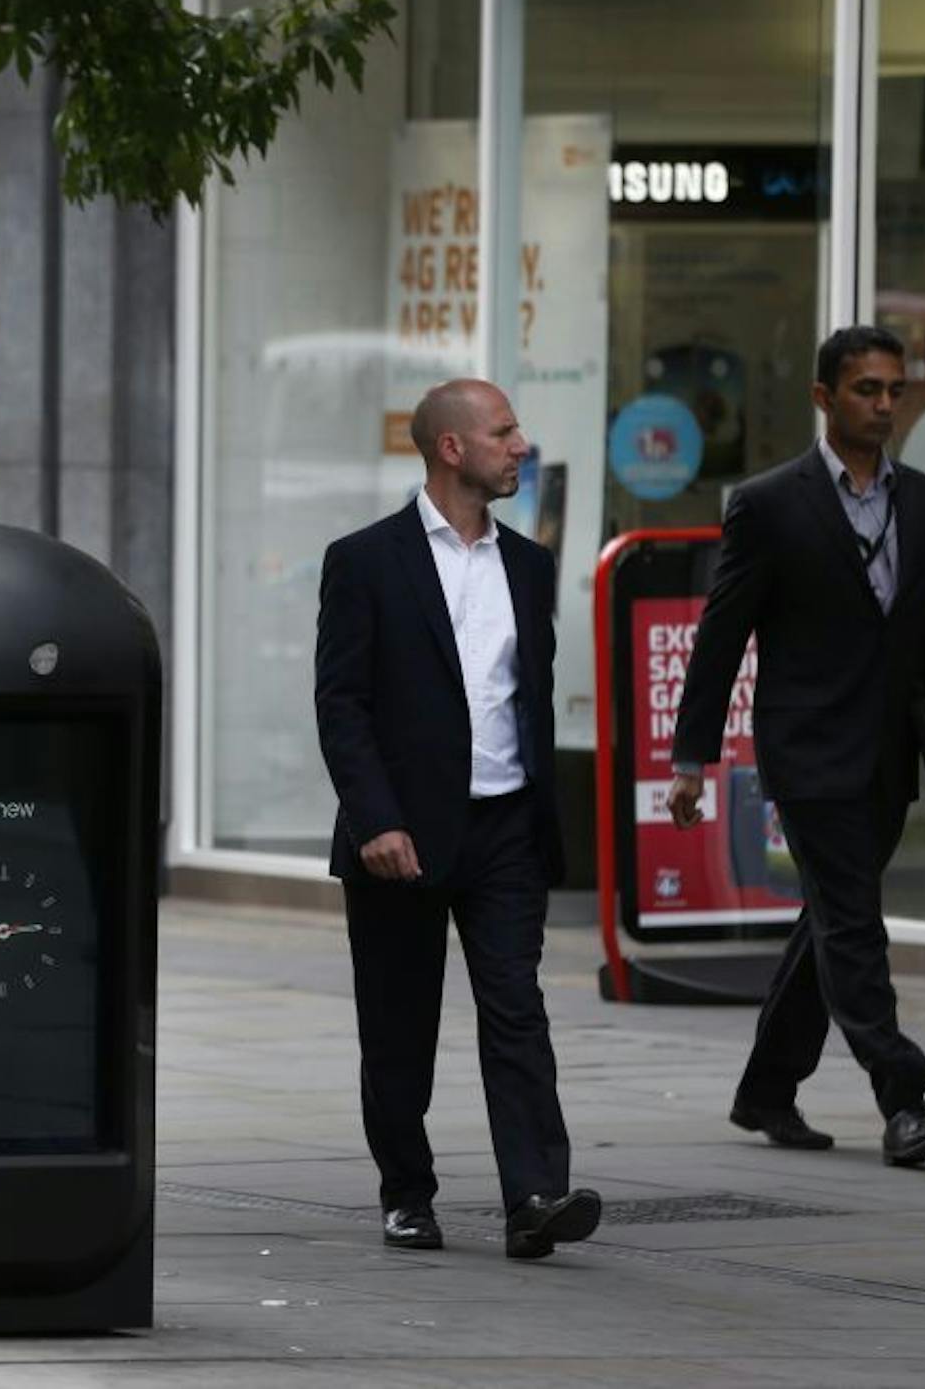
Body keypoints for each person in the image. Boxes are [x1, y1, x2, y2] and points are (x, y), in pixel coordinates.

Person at [668, 324, 925, 1167]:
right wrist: (690, 760)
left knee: (830, 922)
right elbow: (721, 637)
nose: (883, 405)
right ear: (824, 397)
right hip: (807, 750)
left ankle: (767, 1086)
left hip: (888, 753)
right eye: (865, 390)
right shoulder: (770, 504)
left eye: (893, 391)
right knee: (854, 921)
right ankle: (904, 1096)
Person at [314, 379, 601, 1261]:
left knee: (517, 1008)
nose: (520, 445)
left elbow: (530, 698)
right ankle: (407, 1191)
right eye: (503, 431)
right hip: (400, 832)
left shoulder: (530, 564)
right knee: (399, 1023)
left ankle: (535, 1195)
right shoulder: (365, 559)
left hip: (506, 826)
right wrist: (375, 819)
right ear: (450, 448)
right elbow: (342, 701)